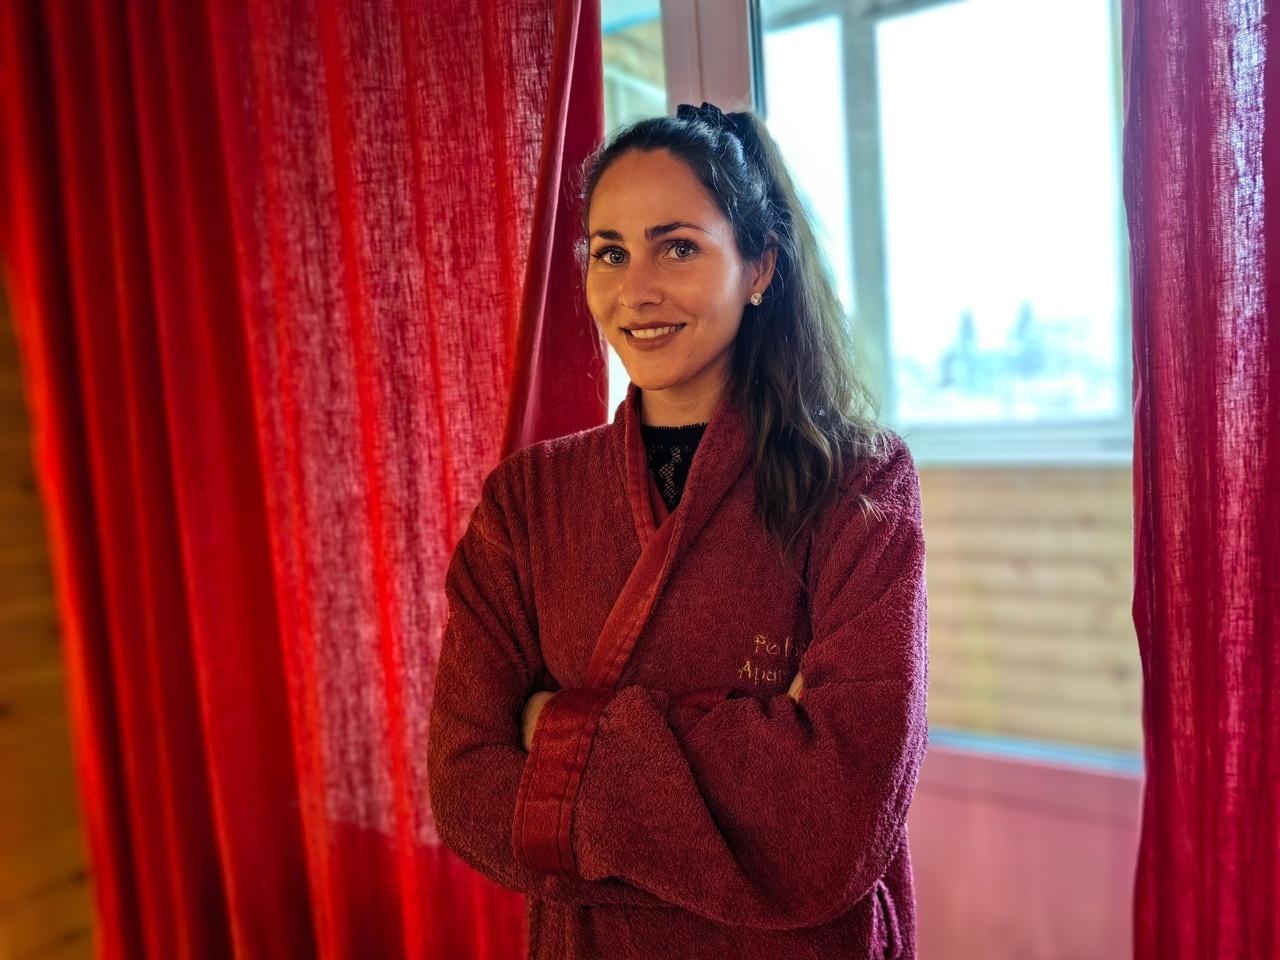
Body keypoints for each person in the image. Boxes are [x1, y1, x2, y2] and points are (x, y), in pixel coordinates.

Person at [427, 101, 929, 959]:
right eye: (610, 252)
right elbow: (467, 787)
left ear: (760, 267)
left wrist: (555, 731)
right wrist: (748, 751)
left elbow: (836, 818)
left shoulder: (859, 482)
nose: (637, 291)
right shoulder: (526, 501)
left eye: (679, 247)